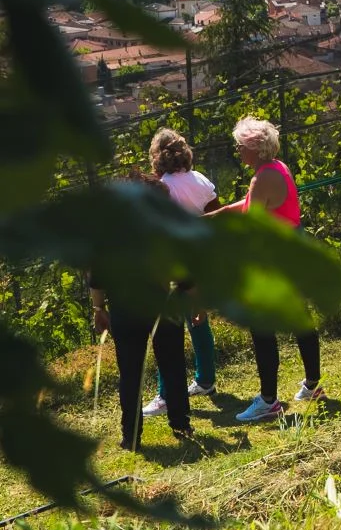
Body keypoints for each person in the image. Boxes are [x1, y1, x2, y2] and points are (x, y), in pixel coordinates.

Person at [212, 116, 324, 421]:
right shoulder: (278, 168)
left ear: (253, 148)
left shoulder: (261, 178)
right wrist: (219, 213)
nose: (237, 152)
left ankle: (268, 401)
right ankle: (312, 385)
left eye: (239, 146)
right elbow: (251, 204)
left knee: (262, 329)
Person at [89, 176, 192, 453]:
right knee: (172, 364)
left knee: (130, 373)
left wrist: (99, 309)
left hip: (125, 310)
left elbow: (96, 276)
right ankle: (181, 424)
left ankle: (130, 436)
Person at [142, 128, 218, 419]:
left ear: (157, 157)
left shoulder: (163, 187)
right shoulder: (200, 180)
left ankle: (164, 394)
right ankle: (205, 379)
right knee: (198, 319)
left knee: (166, 331)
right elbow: (215, 216)